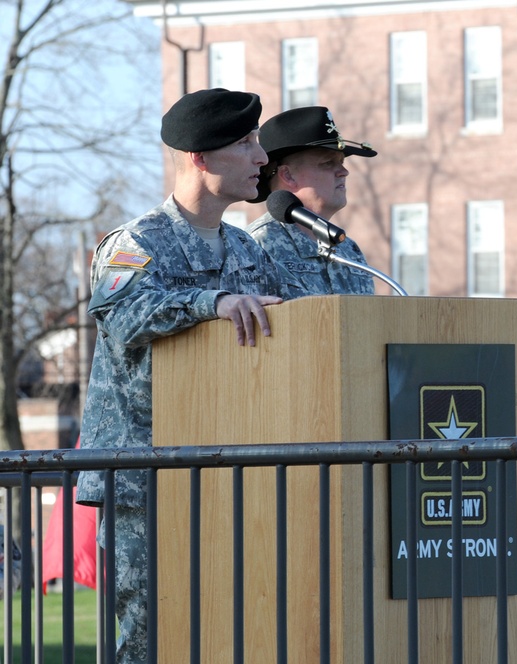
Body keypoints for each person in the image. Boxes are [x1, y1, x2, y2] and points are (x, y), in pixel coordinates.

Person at [75, 88, 304, 663]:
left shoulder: (245, 248)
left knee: (235, 635)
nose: (261, 157)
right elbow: (124, 315)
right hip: (145, 483)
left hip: (235, 479)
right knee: (154, 641)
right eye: (246, 143)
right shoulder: (135, 244)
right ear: (201, 158)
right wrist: (213, 301)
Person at [247, 105, 378, 295]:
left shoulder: (348, 249)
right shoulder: (257, 245)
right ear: (288, 175)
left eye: (341, 162)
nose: (344, 172)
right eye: (327, 163)